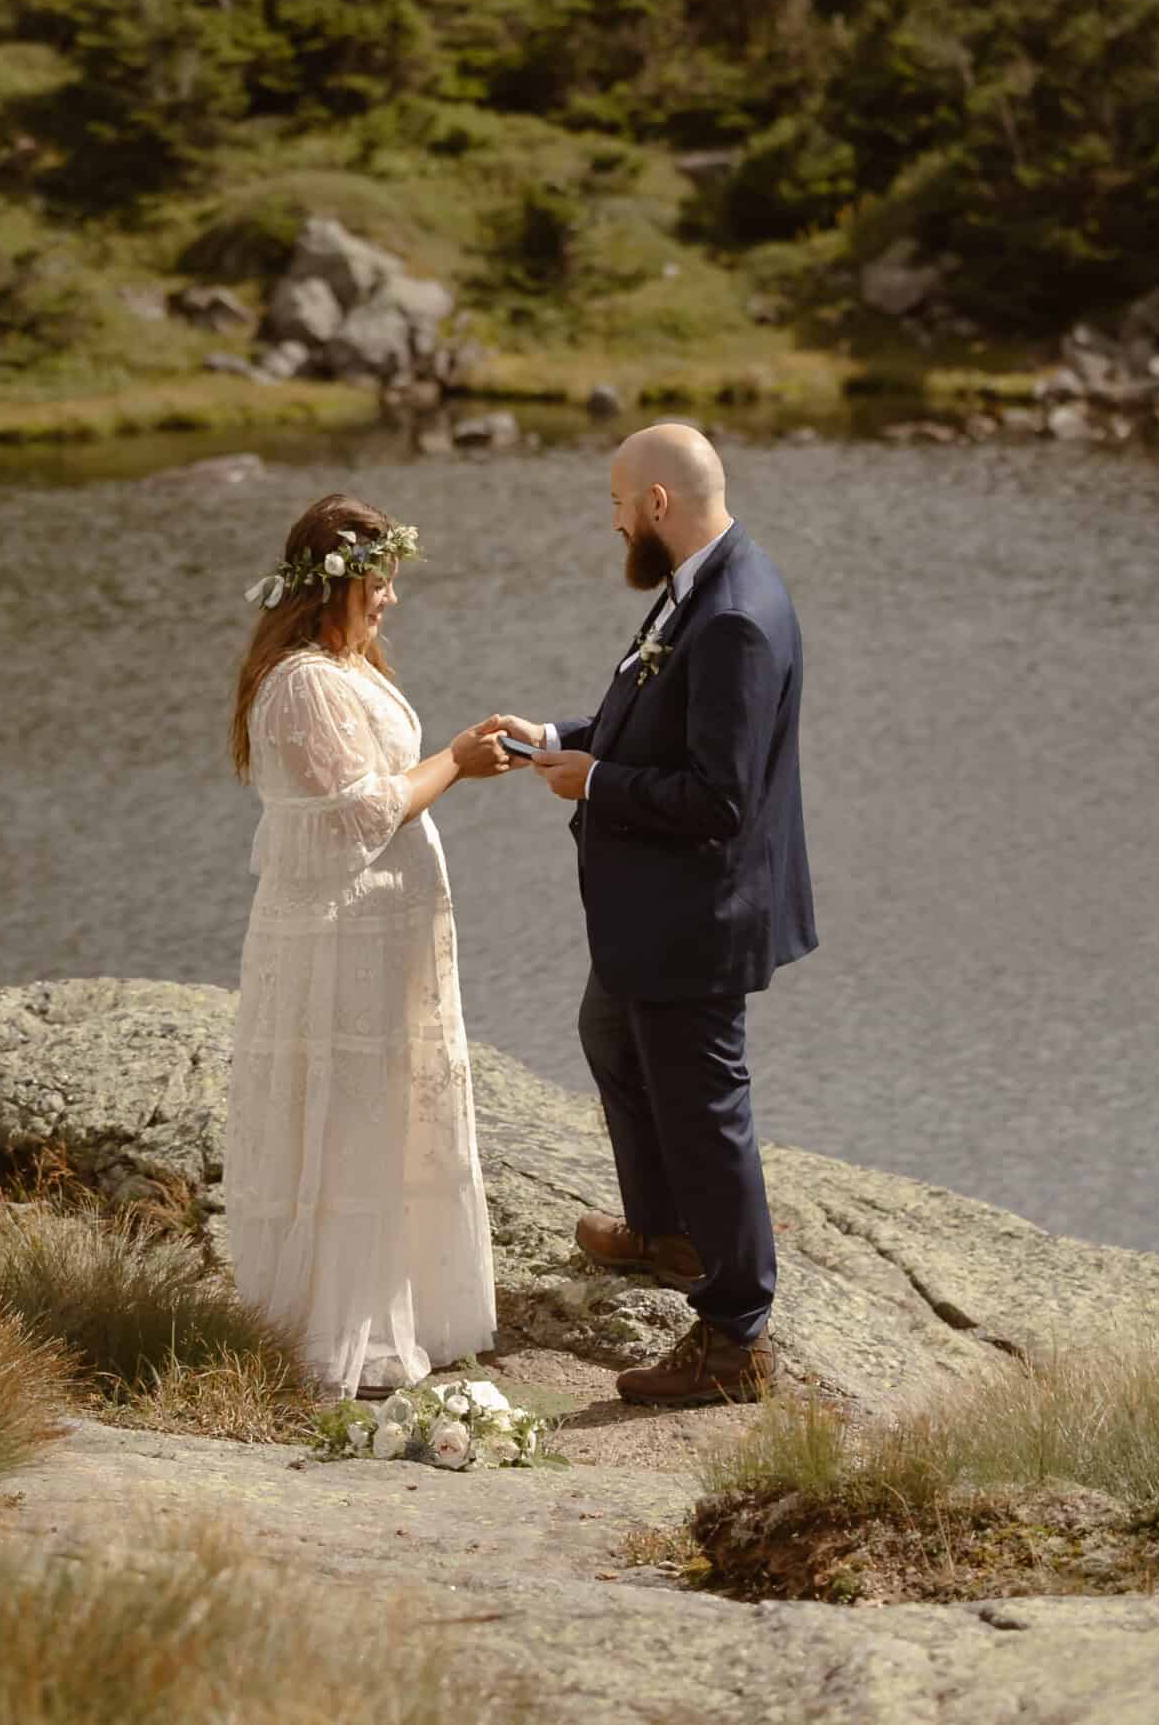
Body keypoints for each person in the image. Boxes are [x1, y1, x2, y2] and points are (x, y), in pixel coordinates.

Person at [486, 422, 816, 1408]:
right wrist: (552, 738)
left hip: (698, 917)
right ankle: (667, 1229)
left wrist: (596, 784)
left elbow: (719, 800)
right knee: (607, 1031)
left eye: (618, 502)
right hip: (657, 913)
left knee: (707, 1109)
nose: (615, 518)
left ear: (657, 505)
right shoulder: (699, 589)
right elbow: (653, 728)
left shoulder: (736, 618)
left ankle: (734, 1336)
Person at [222, 492, 525, 1396]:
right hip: (343, 935)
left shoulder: (346, 665)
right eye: (378, 579)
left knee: (388, 1115)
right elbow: (360, 810)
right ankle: (337, 1329)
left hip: (384, 927)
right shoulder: (304, 681)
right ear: (334, 583)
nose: (390, 595)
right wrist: (458, 762)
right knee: (350, 1116)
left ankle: (403, 1312)